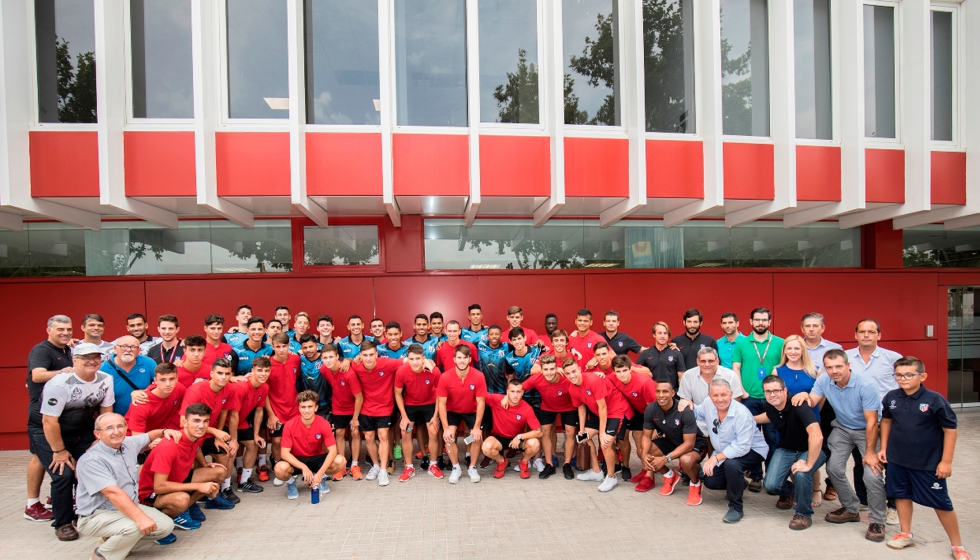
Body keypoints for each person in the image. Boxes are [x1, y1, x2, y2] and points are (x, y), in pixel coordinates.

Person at [791, 349, 887, 543]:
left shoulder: (865, 385)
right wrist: (803, 394)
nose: (834, 371)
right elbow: (812, 401)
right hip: (842, 428)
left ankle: (878, 521)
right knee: (834, 469)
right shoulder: (825, 380)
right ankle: (851, 509)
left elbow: (871, 422)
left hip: (866, 430)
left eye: (838, 366)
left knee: (872, 473)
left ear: (848, 366)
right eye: (829, 367)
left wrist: (869, 453)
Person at [879, 357, 969, 558]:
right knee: (901, 495)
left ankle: (957, 546)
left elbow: (950, 431)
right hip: (897, 460)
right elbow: (886, 422)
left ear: (922, 376)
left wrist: (946, 461)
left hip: (928, 464)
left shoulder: (935, 400)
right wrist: (884, 447)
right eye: (899, 375)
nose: (903, 379)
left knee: (941, 503)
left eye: (909, 375)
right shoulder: (891, 397)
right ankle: (905, 533)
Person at [33, 342, 115, 541]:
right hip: (49, 432)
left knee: (88, 470)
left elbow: (105, 413)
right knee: (63, 474)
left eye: (96, 357)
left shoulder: (106, 379)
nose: (92, 361)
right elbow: (49, 421)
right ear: (75, 360)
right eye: (86, 357)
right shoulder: (59, 383)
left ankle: (84, 513)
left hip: (83, 430)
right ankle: (63, 523)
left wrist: (100, 440)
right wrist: (59, 450)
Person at [75, 413, 180, 557]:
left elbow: (149, 436)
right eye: (109, 428)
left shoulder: (128, 443)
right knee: (136, 526)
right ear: (97, 434)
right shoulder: (92, 460)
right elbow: (112, 493)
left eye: (120, 426)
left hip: (125, 506)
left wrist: (164, 431)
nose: (116, 431)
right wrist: (140, 518)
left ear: (126, 428)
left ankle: (114, 541)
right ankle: (102, 555)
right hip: (96, 514)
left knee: (165, 526)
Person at [137, 403, 228, 532]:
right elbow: (159, 486)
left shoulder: (195, 436)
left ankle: (183, 510)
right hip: (151, 494)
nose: (201, 426)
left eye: (205, 421)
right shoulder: (169, 446)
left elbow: (195, 448)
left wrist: (204, 464)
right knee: (182, 499)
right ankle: (160, 527)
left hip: (178, 479)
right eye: (196, 421)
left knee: (219, 471)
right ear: (185, 422)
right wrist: (199, 487)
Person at [754, 375, 826, 530]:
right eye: (768, 391)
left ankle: (803, 514)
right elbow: (770, 416)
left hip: (811, 448)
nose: (772, 394)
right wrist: (752, 419)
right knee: (771, 485)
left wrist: (808, 464)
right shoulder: (769, 405)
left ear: (785, 390)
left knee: (802, 474)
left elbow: (817, 436)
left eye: (776, 390)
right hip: (787, 447)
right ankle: (797, 491)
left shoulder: (798, 405)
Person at [694, 379, 768, 524]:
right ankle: (738, 483)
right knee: (711, 481)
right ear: (709, 395)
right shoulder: (708, 404)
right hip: (726, 450)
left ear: (731, 395)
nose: (720, 399)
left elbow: (742, 447)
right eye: (715, 395)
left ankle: (736, 508)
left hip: (752, 449)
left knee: (732, 465)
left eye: (724, 395)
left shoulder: (742, 413)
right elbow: (696, 413)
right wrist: (685, 404)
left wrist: (715, 459)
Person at [24, 314, 74, 522]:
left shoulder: (66, 349)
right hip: (43, 417)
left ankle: (45, 501)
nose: (65, 333)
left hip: (60, 416)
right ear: (48, 330)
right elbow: (37, 375)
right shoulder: (42, 350)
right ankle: (32, 506)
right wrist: (62, 372)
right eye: (60, 329)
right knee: (55, 465)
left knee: (39, 457)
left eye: (68, 329)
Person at [732, 307, 784, 490]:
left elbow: (783, 369)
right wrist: (742, 391)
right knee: (750, 438)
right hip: (749, 398)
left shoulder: (780, 343)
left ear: (769, 322)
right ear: (751, 321)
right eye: (757, 320)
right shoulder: (742, 343)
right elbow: (736, 368)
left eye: (764, 320)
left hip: (773, 400)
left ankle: (773, 474)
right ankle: (756, 476)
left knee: (772, 438)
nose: (760, 323)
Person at [564, 358, 632, 492]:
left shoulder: (593, 381)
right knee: (583, 438)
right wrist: (582, 430)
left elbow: (603, 407)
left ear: (579, 369)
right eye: (567, 373)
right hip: (599, 413)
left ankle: (611, 477)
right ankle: (597, 472)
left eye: (574, 371)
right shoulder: (572, 388)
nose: (572, 376)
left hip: (615, 411)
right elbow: (581, 408)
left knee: (605, 443)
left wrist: (602, 433)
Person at [179, 358, 238, 508]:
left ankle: (218, 492)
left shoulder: (229, 389)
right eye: (219, 373)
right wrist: (215, 432)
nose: (223, 377)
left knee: (226, 453)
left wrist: (218, 436)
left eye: (227, 374)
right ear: (211, 373)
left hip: (208, 432)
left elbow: (223, 413)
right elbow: (183, 423)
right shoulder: (196, 391)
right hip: (190, 435)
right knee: (191, 464)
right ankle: (191, 498)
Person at [639, 381, 706, 504]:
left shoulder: (684, 410)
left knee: (685, 460)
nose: (661, 395)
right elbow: (647, 436)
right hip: (671, 441)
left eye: (665, 391)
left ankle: (696, 484)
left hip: (694, 444)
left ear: (672, 393)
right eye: (658, 391)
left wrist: (665, 458)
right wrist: (643, 455)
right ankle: (669, 475)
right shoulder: (651, 408)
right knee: (643, 451)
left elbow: (689, 444)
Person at [274, 391, 347, 500]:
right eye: (303, 407)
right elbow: (284, 453)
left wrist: (320, 473)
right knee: (279, 469)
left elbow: (333, 451)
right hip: (297, 459)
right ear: (298, 408)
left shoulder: (324, 424)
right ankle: (291, 482)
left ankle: (320, 478)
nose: (306, 410)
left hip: (317, 457)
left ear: (316, 408)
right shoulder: (289, 425)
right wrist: (303, 467)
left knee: (341, 461)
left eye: (310, 407)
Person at [350, 340, 402, 486]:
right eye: (365, 355)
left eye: (371, 354)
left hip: (385, 406)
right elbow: (345, 362)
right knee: (368, 437)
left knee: (384, 436)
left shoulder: (386, 363)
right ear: (360, 355)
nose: (368, 358)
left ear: (376, 354)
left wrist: (428, 362)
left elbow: (407, 360)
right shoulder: (356, 365)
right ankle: (376, 466)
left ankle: (384, 470)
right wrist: (348, 359)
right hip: (366, 407)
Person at [520, 354, 578, 480]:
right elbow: (520, 388)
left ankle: (567, 464)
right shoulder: (537, 378)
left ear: (557, 368)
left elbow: (581, 381)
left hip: (569, 407)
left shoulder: (565, 378)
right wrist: (505, 398)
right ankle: (549, 464)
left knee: (570, 433)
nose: (549, 372)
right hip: (547, 407)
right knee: (545, 433)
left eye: (552, 369)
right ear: (541, 370)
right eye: (546, 369)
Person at [437, 345, 488, 484]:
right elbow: (441, 403)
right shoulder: (445, 377)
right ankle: (455, 467)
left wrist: (477, 427)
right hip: (452, 411)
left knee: (476, 437)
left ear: (470, 359)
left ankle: (472, 467)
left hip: (471, 410)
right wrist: (446, 428)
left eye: (465, 358)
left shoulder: (478, 376)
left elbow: (481, 403)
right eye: (459, 357)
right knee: (448, 437)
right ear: (454, 359)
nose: (462, 361)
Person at [394, 344, 443, 481]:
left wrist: (435, 416)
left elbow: (440, 394)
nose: (414, 362)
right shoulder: (402, 371)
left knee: (433, 431)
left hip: (429, 403)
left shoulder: (434, 371)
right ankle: (409, 467)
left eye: (417, 359)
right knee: (405, 431)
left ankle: (433, 465)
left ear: (423, 359)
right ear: (407, 359)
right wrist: (403, 416)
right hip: (410, 405)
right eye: (411, 359)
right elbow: (398, 394)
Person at [223, 356, 271, 494]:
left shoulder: (264, 387)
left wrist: (256, 434)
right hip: (226, 423)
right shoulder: (241, 387)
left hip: (241, 422)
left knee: (253, 444)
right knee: (231, 451)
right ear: (252, 370)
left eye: (266, 371)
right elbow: (232, 415)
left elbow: (259, 412)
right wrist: (233, 439)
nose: (263, 374)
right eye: (260, 370)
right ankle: (225, 487)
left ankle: (244, 482)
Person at [609, 355, 656, 483]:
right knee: (637, 443)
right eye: (618, 371)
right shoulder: (612, 378)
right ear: (614, 372)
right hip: (635, 411)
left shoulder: (644, 382)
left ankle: (650, 475)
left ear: (631, 370)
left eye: (624, 370)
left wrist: (655, 428)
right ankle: (645, 469)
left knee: (644, 446)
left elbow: (654, 408)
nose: (622, 374)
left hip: (651, 411)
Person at [483, 379, 543, 480]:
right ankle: (502, 462)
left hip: (518, 438)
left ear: (522, 392)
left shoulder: (526, 408)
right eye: (512, 391)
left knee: (535, 444)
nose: (515, 395)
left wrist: (520, 437)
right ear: (507, 391)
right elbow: (480, 394)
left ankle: (524, 462)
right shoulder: (497, 400)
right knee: (486, 447)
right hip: (499, 438)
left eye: (518, 392)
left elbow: (539, 432)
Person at [321, 343, 364, 481]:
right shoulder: (324, 369)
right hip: (337, 407)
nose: (328, 360)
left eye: (331, 357)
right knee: (339, 433)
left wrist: (355, 418)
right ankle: (342, 466)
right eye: (325, 357)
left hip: (353, 408)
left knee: (355, 432)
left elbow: (359, 397)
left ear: (337, 357)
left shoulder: (349, 374)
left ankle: (355, 465)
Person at [265, 333, 301, 483]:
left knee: (294, 439)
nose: (281, 350)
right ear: (272, 346)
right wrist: (271, 415)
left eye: (284, 346)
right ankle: (278, 467)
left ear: (289, 346)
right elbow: (264, 393)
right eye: (277, 347)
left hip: (294, 409)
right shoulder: (268, 365)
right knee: (277, 441)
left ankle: (292, 466)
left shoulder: (295, 359)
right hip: (276, 410)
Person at [125, 363, 186, 438]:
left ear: (177, 378)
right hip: (132, 441)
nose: (168, 384)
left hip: (161, 435)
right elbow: (137, 440)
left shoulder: (179, 388)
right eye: (162, 380)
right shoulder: (141, 403)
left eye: (171, 379)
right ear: (155, 381)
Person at [101, 336, 157, 415]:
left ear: (139, 351)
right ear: (115, 349)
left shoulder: (148, 363)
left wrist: (146, 392)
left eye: (133, 347)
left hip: (144, 416)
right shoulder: (103, 369)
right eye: (124, 346)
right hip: (117, 420)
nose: (128, 349)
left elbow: (160, 385)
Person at [636, 322, 686, 389]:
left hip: (671, 395)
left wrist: (681, 396)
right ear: (654, 335)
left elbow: (681, 377)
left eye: (665, 333)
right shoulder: (646, 353)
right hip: (652, 394)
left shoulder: (676, 353)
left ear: (668, 335)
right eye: (659, 333)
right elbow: (637, 374)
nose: (662, 336)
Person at [298, 334, 332, 417]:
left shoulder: (325, 359)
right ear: (301, 349)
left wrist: (347, 361)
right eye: (305, 348)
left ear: (317, 346)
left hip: (324, 405)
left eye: (311, 346)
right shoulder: (299, 359)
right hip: (306, 405)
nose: (308, 350)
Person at [477, 325, 509, 395]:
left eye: (497, 334)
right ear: (488, 336)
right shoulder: (480, 345)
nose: (494, 336)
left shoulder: (507, 347)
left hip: (501, 389)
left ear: (501, 336)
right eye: (491, 334)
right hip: (484, 390)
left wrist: (538, 344)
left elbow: (522, 349)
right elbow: (465, 344)